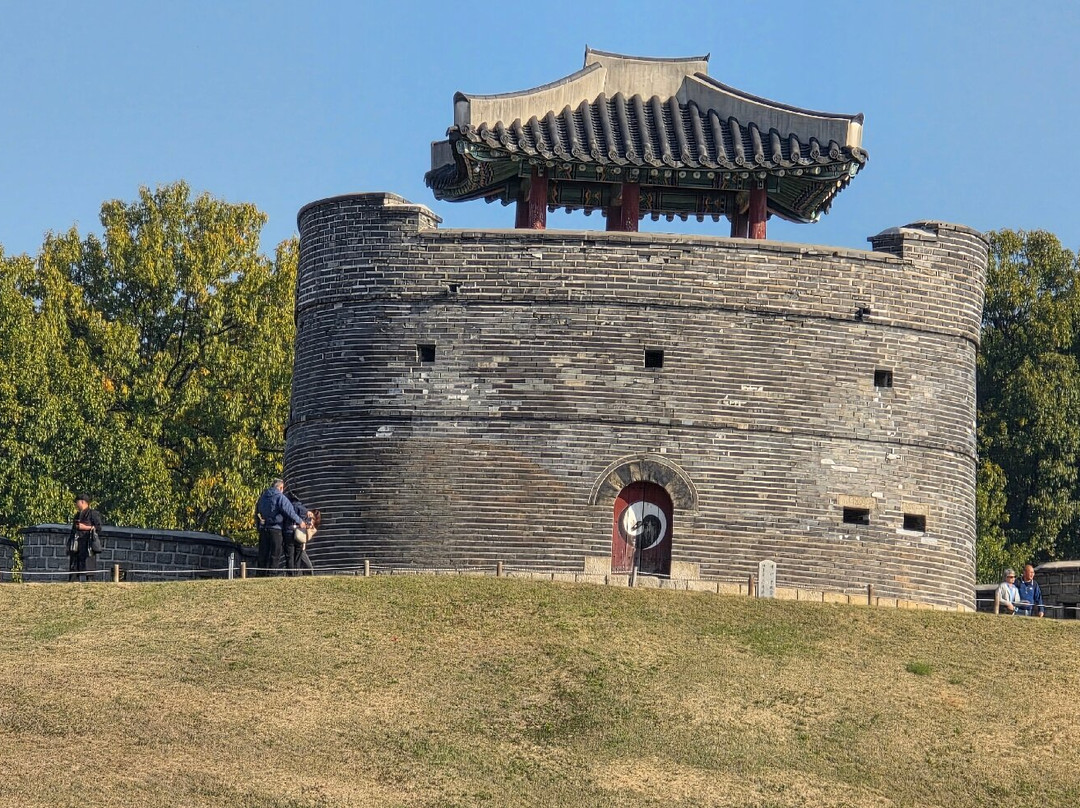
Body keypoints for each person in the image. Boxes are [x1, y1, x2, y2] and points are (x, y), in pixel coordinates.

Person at [254, 479, 306, 577]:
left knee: (263, 553)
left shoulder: (263, 497)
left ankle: (260, 574)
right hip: (276, 528)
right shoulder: (280, 497)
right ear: (281, 487)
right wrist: (300, 521)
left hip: (264, 528)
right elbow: (289, 511)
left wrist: (259, 525)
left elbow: (257, 511)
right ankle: (272, 574)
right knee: (275, 553)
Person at [68, 493, 103, 582]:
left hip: (88, 545)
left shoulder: (93, 514)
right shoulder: (77, 515)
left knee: (89, 570)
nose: (76, 504)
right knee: (74, 569)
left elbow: (98, 528)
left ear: (83, 502)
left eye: (77, 502)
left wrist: (85, 527)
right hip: (77, 545)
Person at [282, 488, 315, 576]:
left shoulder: (286, 507)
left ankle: (290, 573)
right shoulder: (303, 509)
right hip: (299, 533)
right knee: (298, 555)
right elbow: (308, 522)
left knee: (289, 554)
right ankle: (297, 573)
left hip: (288, 532)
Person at [292, 509, 321, 575]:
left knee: (307, 565)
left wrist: (308, 527)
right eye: (310, 517)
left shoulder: (313, 529)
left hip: (301, 546)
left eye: (313, 518)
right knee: (296, 562)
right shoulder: (303, 519)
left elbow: (308, 538)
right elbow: (296, 527)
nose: (311, 519)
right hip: (294, 541)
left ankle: (308, 576)